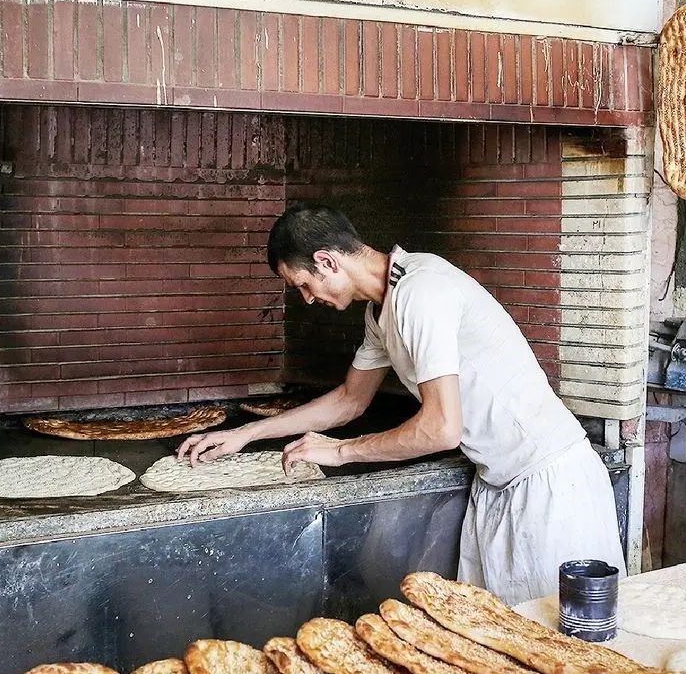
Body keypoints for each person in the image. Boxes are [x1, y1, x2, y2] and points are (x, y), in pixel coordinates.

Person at [176, 202, 625, 604]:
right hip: (498, 484)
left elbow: (441, 428)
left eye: (304, 285)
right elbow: (350, 400)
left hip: (549, 487)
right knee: (498, 646)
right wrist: (246, 433)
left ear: (327, 261)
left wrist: (340, 451)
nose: (308, 299)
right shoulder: (382, 309)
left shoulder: (421, 292)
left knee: (563, 645)